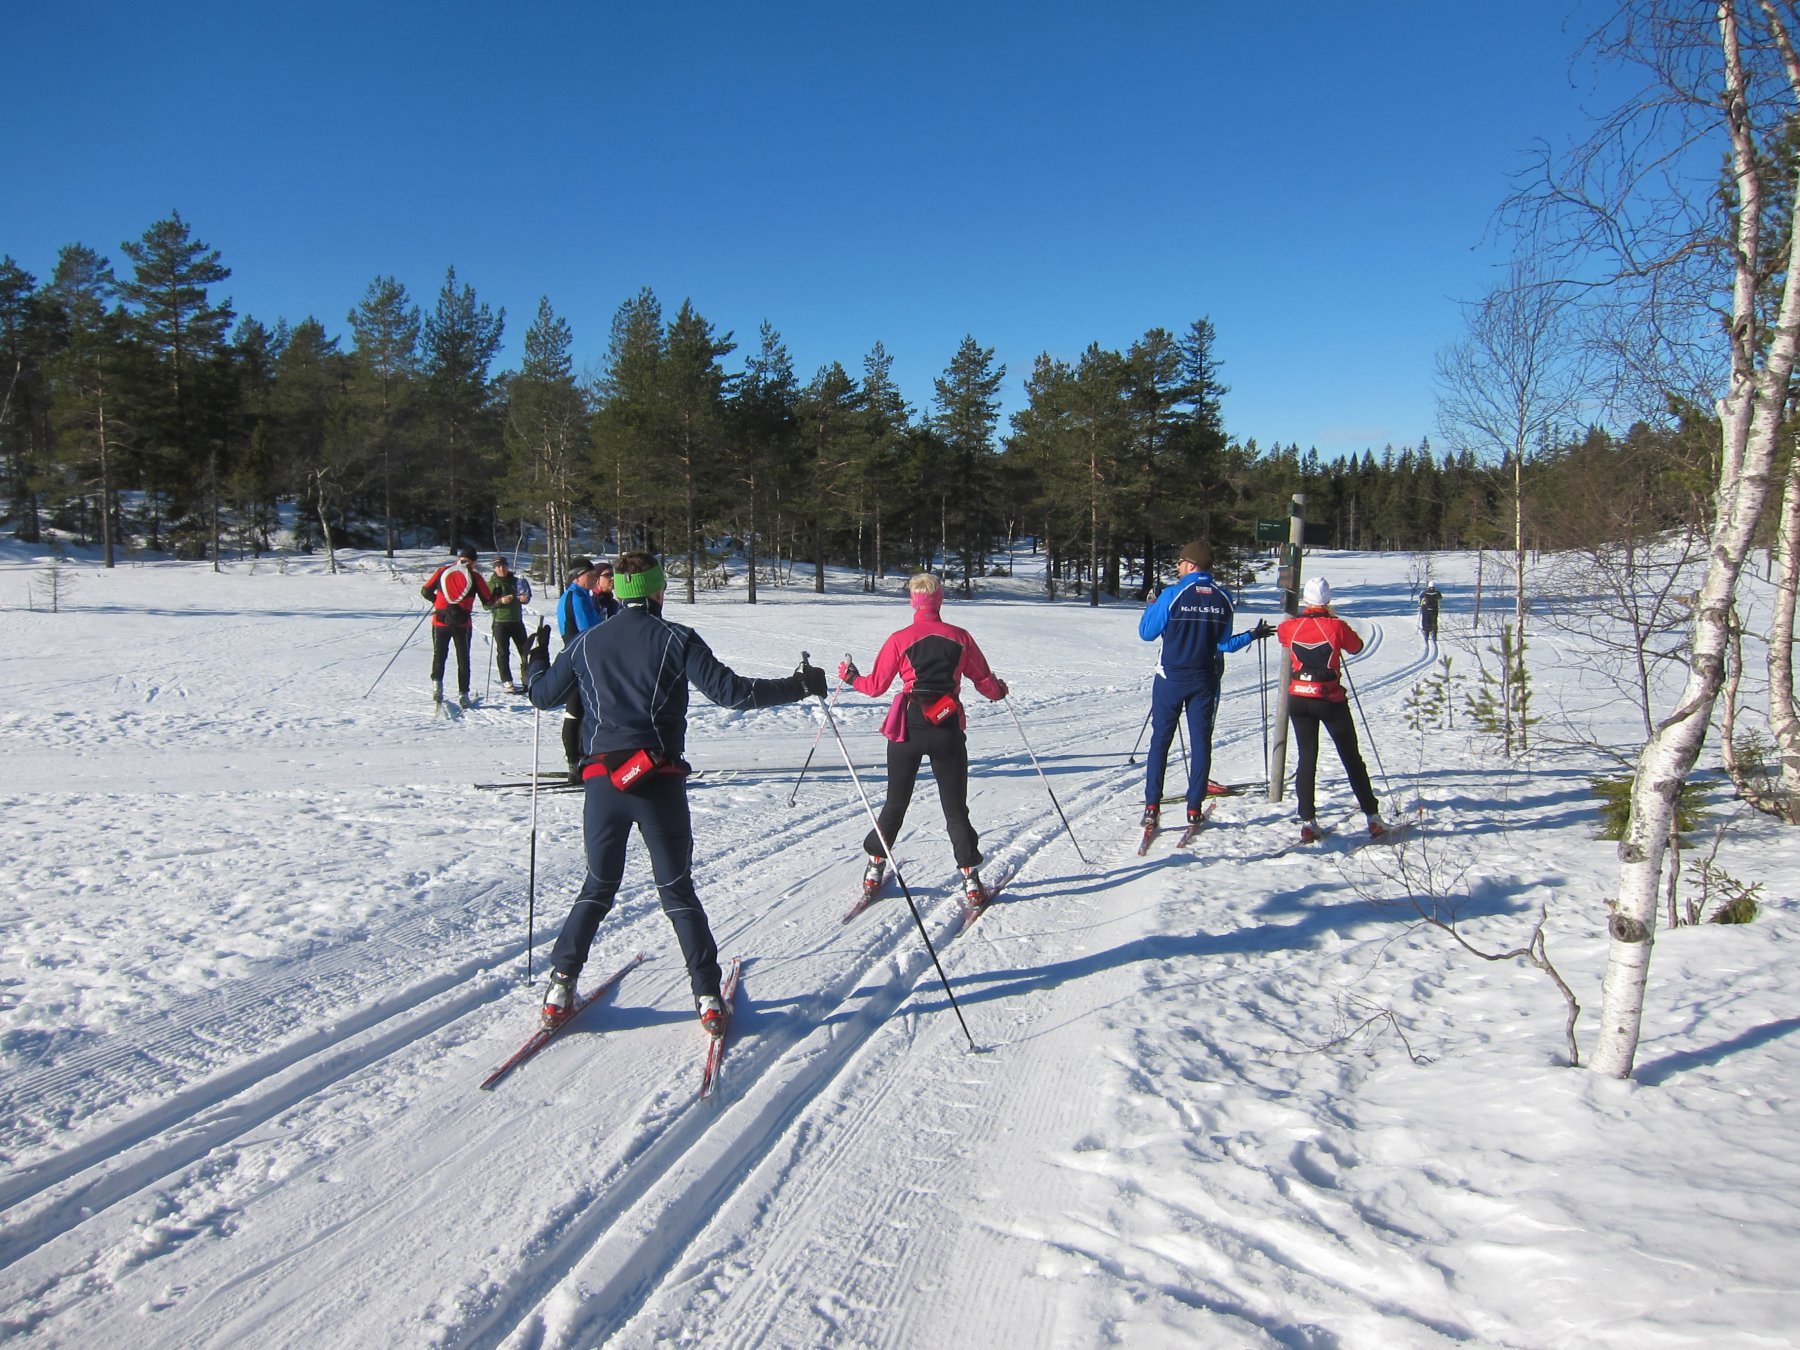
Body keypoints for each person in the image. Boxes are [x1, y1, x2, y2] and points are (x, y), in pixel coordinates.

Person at [525, 550, 827, 1036]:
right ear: (657, 589)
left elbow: (541, 696)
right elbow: (733, 693)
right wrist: (799, 686)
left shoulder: (586, 643)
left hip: (602, 783)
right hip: (657, 781)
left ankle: (560, 986)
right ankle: (707, 996)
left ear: (619, 591)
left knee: (599, 886)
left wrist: (537, 656)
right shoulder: (676, 637)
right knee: (675, 889)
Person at [837, 573, 1008, 904]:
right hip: (947, 728)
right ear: (940, 599)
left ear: (913, 601)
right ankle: (971, 879)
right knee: (955, 808)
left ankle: (875, 867)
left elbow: (875, 687)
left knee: (895, 803)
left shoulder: (900, 639)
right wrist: (999, 691)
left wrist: (851, 677)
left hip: (907, 729)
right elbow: (985, 682)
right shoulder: (960, 637)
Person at [1137, 541, 1272, 832]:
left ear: (1192, 565)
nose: (1177, 566)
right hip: (1204, 680)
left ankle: (1152, 806)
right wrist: (1251, 635)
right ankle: (1194, 806)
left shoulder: (1173, 594)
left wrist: (1151, 606)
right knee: (1201, 743)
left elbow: (1147, 633)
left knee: (1161, 740)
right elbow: (1224, 644)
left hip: (1170, 679)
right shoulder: (1223, 597)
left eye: (1180, 562)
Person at [1276, 576, 1387, 841]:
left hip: (1299, 699)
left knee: (1307, 758)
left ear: (1305, 600)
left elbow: (1283, 639)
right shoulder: (1335, 626)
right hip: (1329, 699)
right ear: (1328, 600)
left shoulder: (1290, 626)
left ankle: (1307, 821)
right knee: (1351, 757)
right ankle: (1372, 816)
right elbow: (1357, 647)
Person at [555, 557, 619, 782]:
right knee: (575, 712)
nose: (593, 579)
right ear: (577, 576)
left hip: (583, 660)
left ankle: (584, 758)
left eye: (594, 575)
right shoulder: (576, 597)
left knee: (587, 712)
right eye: (590, 575)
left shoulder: (581, 596)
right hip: (578, 662)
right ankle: (575, 763)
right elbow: (588, 631)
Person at [420, 545, 495, 709]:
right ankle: (464, 695)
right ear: (473, 562)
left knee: (439, 654)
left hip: (440, 621)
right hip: (462, 624)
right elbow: (488, 602)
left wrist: (438, 603)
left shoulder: (442, 571)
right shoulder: (474, 577)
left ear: (459, 558)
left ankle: (437, 686)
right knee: (463, 659)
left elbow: (425, 591)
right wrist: (496, 594)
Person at [484, 556, 533, 694]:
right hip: (500, 622)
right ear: (494, 568)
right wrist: (500, 602)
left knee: (525, 651)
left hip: (516, 620)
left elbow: (526, 596)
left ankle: (526, 678)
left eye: (503, 566)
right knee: (503, 652)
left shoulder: (516, 581)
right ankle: (507, 680)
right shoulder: (492, 584)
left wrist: (524, 599)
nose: (502, 569)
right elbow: (487, 605)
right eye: (498, 566)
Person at [1418, 580, 1443, 653]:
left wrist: (1420, 605)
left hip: (1426, 609)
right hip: (1434, 609)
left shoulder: (1425, 592)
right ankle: (1434, 635)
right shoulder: (1437, 592)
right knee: (1434, 621)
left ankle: (1426, 635)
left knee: (1426, 621)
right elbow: (1440, 598)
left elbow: (1420, 597)